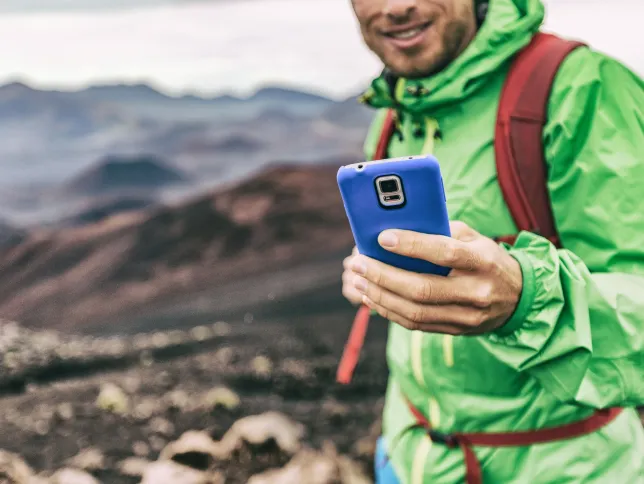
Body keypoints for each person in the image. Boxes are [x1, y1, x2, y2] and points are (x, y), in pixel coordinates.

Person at [341, 0, 644, 483]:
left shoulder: (583, 89)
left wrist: (526, 298)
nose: (397, 7)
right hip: (407, 454)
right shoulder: (397, 110)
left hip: (565, 468)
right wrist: (370, 277)